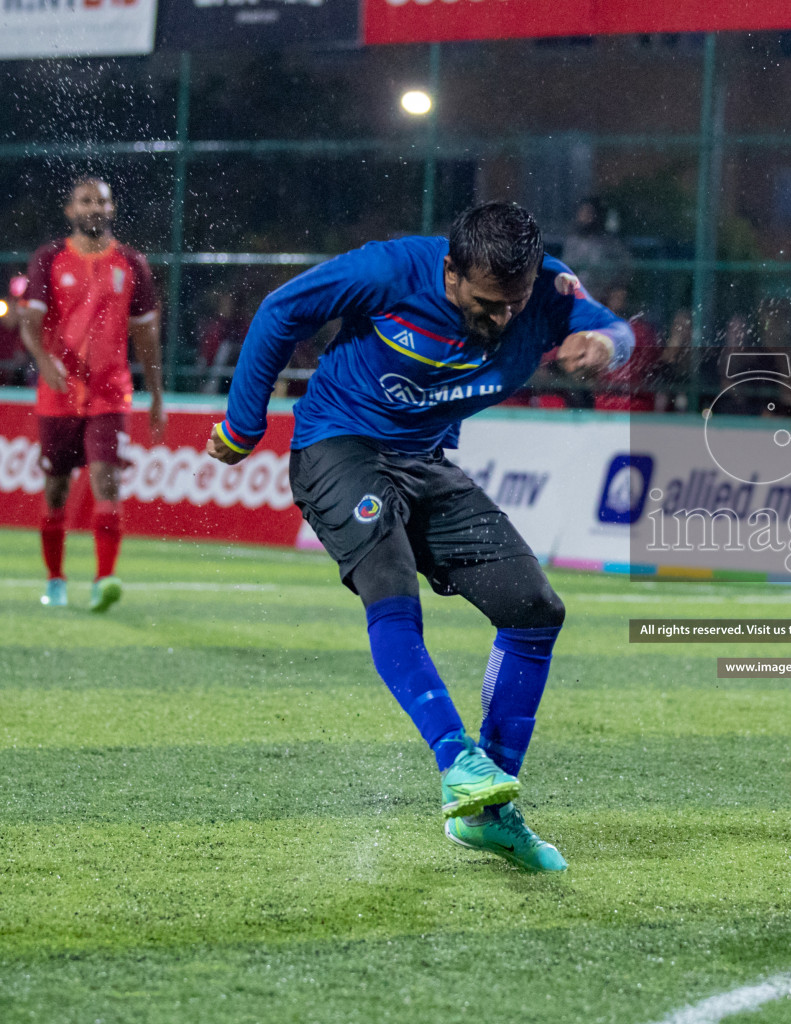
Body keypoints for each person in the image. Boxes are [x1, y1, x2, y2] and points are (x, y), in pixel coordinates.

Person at [205, 201, 633, 872]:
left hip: (424, 463)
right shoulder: (389, 270)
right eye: (487, 303)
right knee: (390, 583)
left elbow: (613, 327)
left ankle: (489, 816)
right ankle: (456, 761)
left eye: (513, 304)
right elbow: (281, 311)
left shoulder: (546, 292)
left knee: (535, 610)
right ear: (450, 273)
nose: (502, 319)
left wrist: (607, 344)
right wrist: (241, 424)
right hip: (337, 446)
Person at [17, 177, 165, 612]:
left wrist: (156, 395)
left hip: (109, 394)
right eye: (85, 201)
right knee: (57, 490)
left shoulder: (132, 263)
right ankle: (56, 579)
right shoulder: (49, 259)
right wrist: (44, 361)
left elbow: (147, 334)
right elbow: (29, 322)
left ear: (112, 208)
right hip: (59, 395)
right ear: (71, 211)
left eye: (101, 200)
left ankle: (104, 579)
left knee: (107, 479)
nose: (93, 207)